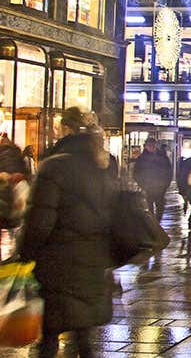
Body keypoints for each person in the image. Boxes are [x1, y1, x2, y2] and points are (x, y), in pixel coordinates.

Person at [19, 107, 116, 358]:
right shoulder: (104, 165)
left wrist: (26, 252)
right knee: (84, 338)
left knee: (50, 336)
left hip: (58, 263)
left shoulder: (55, 166)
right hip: (94, 262)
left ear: (66, 130)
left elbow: (40, 220)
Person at [133, 138, 172, 219]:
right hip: (148, 187)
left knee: (160, 207)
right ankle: (152, 225)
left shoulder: (162, 157)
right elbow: (136, 173)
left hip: (160, 187)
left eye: (153, 145)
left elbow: (168, 171)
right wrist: (142, 185)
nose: (151, 147)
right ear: (146, 146)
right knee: (149, 207)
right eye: (149, 145)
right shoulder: (142, 158)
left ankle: (157, 223)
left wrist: (165, 184)